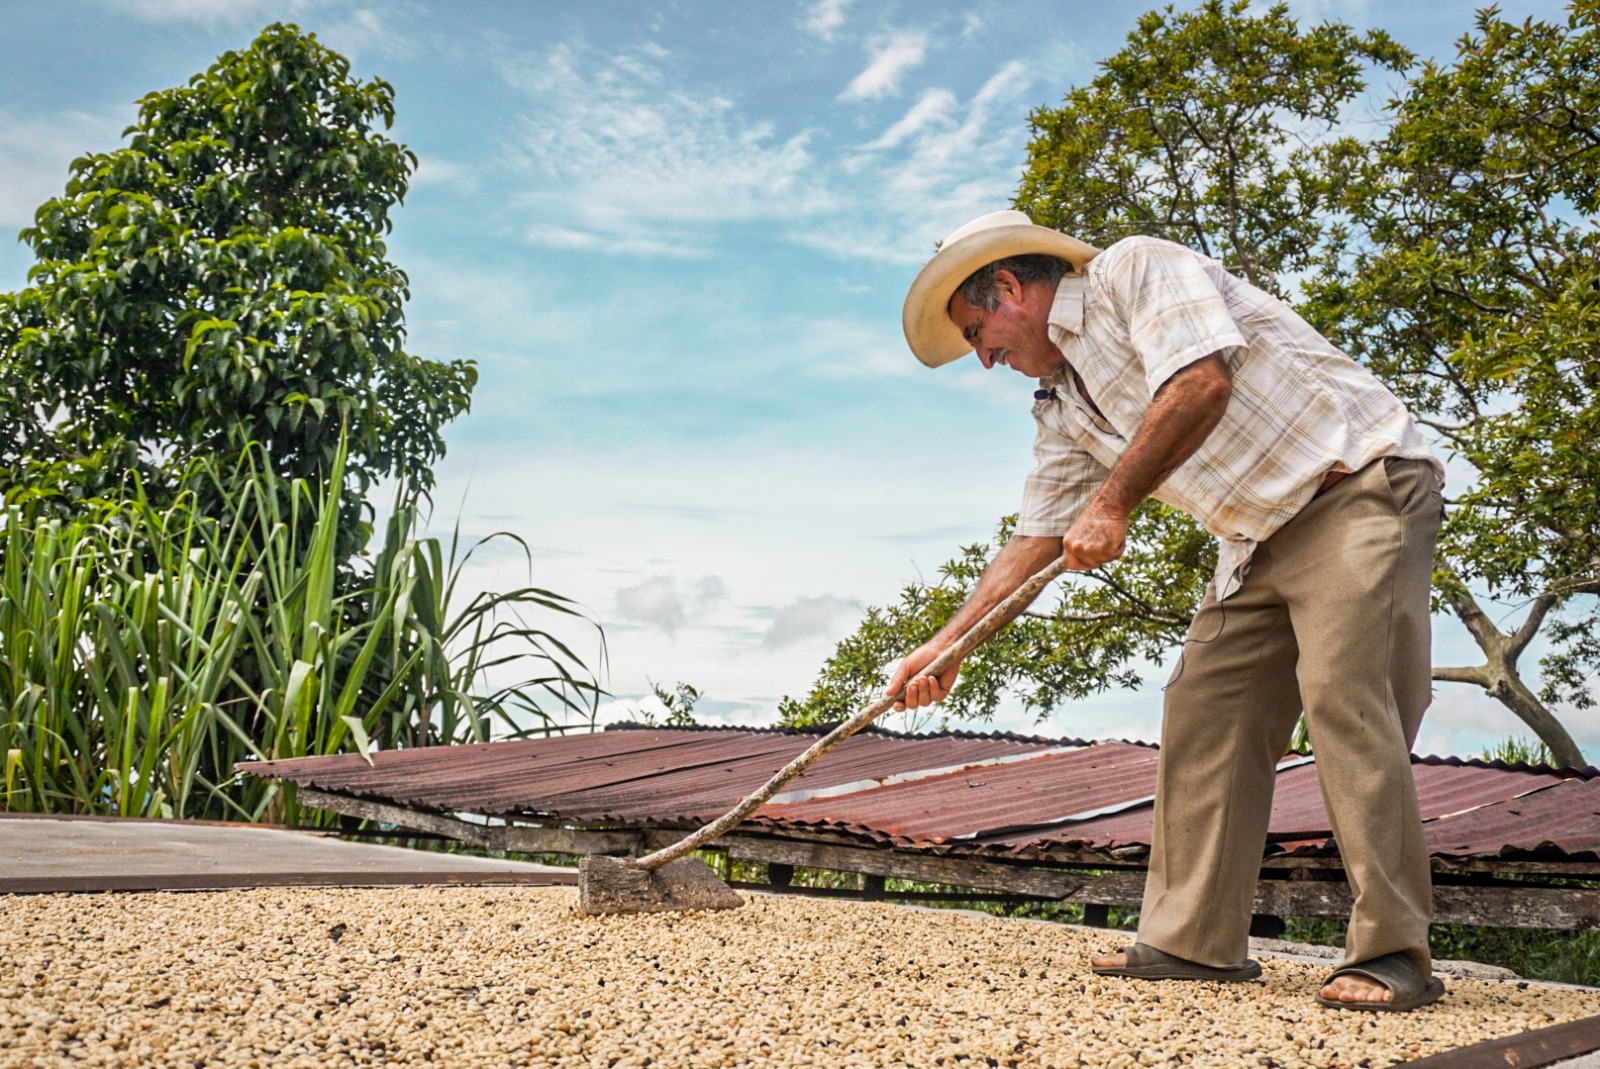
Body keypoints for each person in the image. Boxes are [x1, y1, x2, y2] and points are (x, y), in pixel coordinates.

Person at [890, 210, 1447, 1013]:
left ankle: (1394, 952)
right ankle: (1193, 942)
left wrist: (1113, 504)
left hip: (1356, 484)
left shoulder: (1132, 270)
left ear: (1010, 288)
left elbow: (1201, 380)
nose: (983, 359)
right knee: (1203, 706)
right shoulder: (1058, 406)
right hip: (1256, 537)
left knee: (1346, 696)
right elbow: (1038, 537)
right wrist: (948, 645)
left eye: (980, 332)